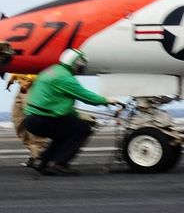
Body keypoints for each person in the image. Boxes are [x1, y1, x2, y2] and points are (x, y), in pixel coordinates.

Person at [23, 48, 121, 176]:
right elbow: (86, 96)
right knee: (82, 129)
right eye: (80, 64)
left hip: (32, 119)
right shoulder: (65, 78)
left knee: (64, 133)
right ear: (74, 63)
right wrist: (106, 100)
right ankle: (59, 164)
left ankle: (42, 161)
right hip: (42, 119)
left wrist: (77, 115)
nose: (81, 67)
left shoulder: (53, 70)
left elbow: (58, 104)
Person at [6, 73, 49, 169]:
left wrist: (29, 79)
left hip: (34, 86)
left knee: (34, 121)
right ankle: (37, 153)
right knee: (18, 121)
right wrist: (13, 77)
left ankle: (39, 154)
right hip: (22, 85)